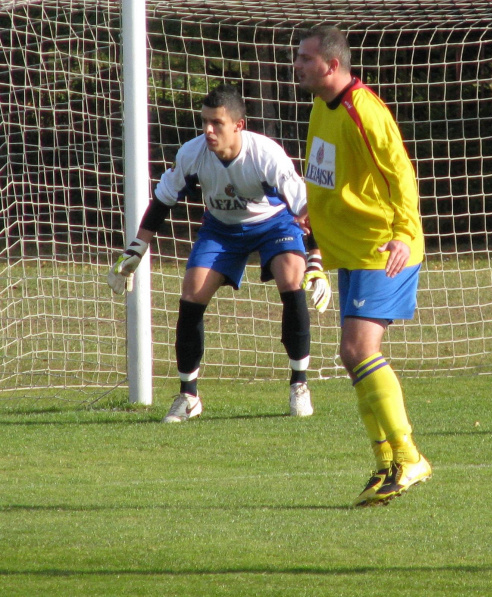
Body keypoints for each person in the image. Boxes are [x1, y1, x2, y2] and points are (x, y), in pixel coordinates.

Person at [108, 84, 331, 422]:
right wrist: (136, 250)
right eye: (205, 122)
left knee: (291, 278)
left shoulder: (266, 154)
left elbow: (305, 208)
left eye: (217, 123)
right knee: (191, 293)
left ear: (238, 125)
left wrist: (316, 259)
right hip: (221, 229)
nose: (209, 130)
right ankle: (188, 396)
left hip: (274, 225)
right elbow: (162, 202)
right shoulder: (192, 154)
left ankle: (299, 384)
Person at [294, 25, 432, 506]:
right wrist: (313, 208)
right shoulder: (320, 106)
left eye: (306, 58)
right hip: (351, 247)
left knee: (357, 347)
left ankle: (409, 456)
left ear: (332, 66)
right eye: (298, 57)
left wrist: (401, 232)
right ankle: (386, 463)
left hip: (383, 247)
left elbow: (401, 175)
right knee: (352, 356)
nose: (299, 65)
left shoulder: (364, 111)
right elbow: (323, 166)